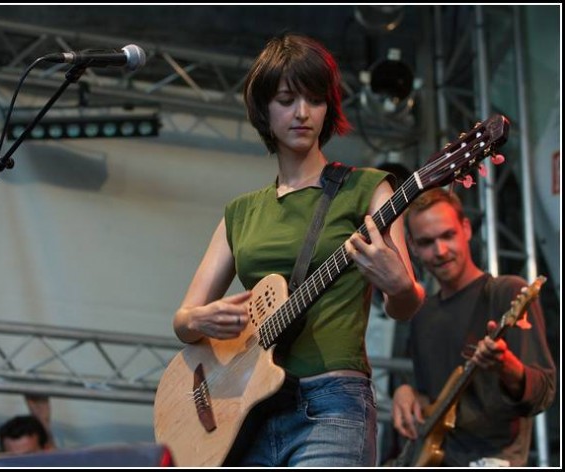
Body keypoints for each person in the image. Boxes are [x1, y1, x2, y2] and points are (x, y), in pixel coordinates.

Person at [172, 32, 425, 467]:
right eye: (287, 99)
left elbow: (405, 305)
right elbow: (182, 322)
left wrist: (401, 287)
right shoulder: (241, 212)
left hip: (331, 404)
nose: (302, 113)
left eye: (315, 99)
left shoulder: (369, 188)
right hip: (246, 409)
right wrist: (200, 318)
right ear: (263, 109)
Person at [391, 187, 556, 467]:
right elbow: (429, 395)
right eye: (427, 241)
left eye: (448, 235)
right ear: (413, 247)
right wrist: (404, 393)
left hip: (493, 457)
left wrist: (506, 365)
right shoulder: (422, 314)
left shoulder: (506, 293)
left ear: (466, 229)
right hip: (433, 457)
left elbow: (544, 392)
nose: (440, 251)